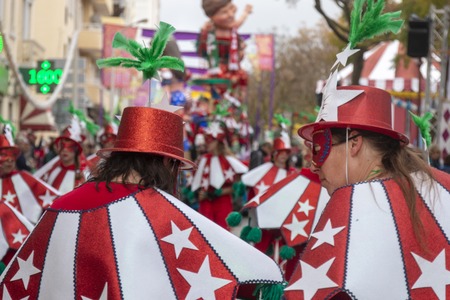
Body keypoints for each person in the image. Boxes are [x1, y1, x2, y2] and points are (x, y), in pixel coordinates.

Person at [0, 106, 284, 299]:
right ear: (165, 162)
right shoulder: (165, 213)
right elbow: (254, 273)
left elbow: (18, 282)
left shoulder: (61, 206)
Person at [284, 85, 450, 299]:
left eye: (318, 150)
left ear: (354, 143)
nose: (314, 167)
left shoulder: (353, 206)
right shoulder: (443, 190)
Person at [190, 120, 249, 229]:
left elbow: (237, 185)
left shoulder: (229, 161)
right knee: (204, 234)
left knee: (222, 235)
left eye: (210, 140)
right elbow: (196, 182)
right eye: (206, 139)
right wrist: (199, 193)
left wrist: (219, 192)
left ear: (218, 141)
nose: (207, 142)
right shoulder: (202, 159)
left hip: (223, 203)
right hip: (205, 203)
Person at [0, 124, 60, 224]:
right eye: (5, 158)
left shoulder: (24, 178)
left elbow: (54, 198)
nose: (9, 162)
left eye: (12, 158)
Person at [197, 0, 252, 102]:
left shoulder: (232, 32)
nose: (231, 15)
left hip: (233, 69)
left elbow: (237, 23)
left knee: (239, 83)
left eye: (231, 9)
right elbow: (203, 51)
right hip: (219, 70)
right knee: (220, 90)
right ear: (212, 16)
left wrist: (246, 12)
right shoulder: (210, 32)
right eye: (224, 12)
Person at [38, 117, 88, 194]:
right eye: (62, 145)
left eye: (70, 147)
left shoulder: (83, 175)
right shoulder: (52, 169)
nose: (65, 150)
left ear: (76, 150)